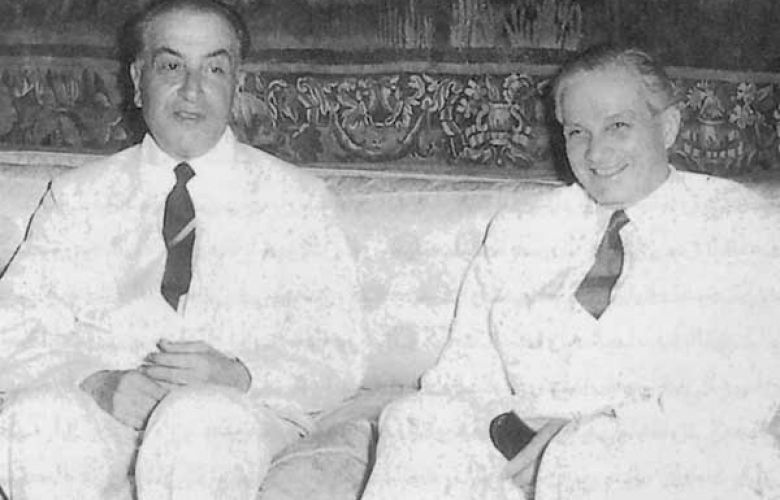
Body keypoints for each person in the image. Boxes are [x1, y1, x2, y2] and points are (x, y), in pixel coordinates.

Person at [361, 46, 780, 499]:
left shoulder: (739, 226)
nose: (596, 152)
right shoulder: (523, 228)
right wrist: (514, 441)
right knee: (415, 423)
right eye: (578, 132)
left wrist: (574, 444)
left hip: (670, 462)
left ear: (668, 127)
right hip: (522, 454)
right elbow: (463, 375)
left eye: (618, 126)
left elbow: (738, 402)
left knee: (586, 458)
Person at [0, 1, 364, 498]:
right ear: (137, 80)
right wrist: (98, 382)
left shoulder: (296, 200)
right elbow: (12, 331)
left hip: (237, 415)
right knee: (34, 419)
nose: (193, 90)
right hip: (106, 417)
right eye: (171, 66)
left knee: (198, 420)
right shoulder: (80, 197)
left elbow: (338, 351)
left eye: (214, 69)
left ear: (237, 84)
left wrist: (239, 375)